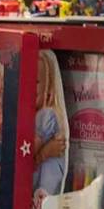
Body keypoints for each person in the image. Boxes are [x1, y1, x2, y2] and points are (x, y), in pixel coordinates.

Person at [33, 50, 68, 200]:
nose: (28, 87)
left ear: (47, 87)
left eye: (35, 83)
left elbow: (28, 151)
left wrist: (43, 154)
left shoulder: (45, 115)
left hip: (45, 183)